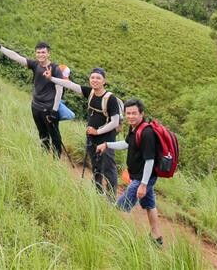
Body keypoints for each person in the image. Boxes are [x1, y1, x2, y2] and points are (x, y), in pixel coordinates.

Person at [96, 99, 164, 247]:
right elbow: (127, 144)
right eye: (128, 113)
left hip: (142, 179)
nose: (131, 116)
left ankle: (122, 240)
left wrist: (143, 185)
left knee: (120, 208)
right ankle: (157, 238)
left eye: (134, 113)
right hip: (141, 177)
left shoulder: (146, 133)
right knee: (150, 205)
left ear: (142, 114)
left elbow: (150, 160)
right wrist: (107, 144)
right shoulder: (134, 129)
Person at [49, 67, 121, 198]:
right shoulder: (90, 93)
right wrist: (51, 78)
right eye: (92, 77)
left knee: (109, 169)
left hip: (106, 140)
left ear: (104, 81)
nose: (95, 80)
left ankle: (111, 198)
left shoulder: (110, 99)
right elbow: (70, 85)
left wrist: (97, 131)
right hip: (91, 138)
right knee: (95, 166)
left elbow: (115, 122)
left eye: (98, 78)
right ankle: (97, 192)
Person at [0, 40, 64, 158]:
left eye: (43, 52)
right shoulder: (35, 65)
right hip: (36, 107)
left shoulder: (55, 69)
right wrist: (0, 48)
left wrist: (55, 110)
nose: (40, 55)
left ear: (48, 53)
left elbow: (60, 89)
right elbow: (17, 57)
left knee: (54, 136)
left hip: (49, 109)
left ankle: (56, 160)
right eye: (38, 52)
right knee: (42, 134)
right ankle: (44, 157)